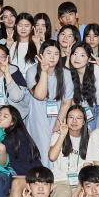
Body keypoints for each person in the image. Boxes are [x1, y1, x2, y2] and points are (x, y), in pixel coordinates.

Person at [25, 41, 73, 169]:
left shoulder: (65, 73)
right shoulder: (32, 71)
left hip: (58, 115)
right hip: (38, 115)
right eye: (49, 53)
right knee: (42, 147)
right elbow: (40, 95)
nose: (52, 57)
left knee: (55, 147)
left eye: (56, 54)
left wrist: (58, 123)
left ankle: (54, 176)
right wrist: (44, 72)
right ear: (41, 54)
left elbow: (66, 102)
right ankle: (43, 175)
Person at [0, 105, 43, 197]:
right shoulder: (2, 134)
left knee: (16, 184)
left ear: (12, 122)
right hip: (17, 175)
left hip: (33, 175)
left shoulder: (16, 135)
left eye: (5, 116)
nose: (0, 118)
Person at [47, 105, 91, 197]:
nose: (74, 121)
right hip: (59, 181)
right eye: (71, 117)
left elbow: (86, 169)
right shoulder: (57, 135)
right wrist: (63, 135)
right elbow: (52, 157)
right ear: (66, 119)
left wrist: (78, 189)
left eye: (79, 118)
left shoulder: (89, 140)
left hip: (80, 182)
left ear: (84, 122)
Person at [0, 43, 30, 119]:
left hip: (11, 114)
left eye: (2, 56)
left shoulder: (14, 72)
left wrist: (7, 73)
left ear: (7, 58)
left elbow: (16, 97)